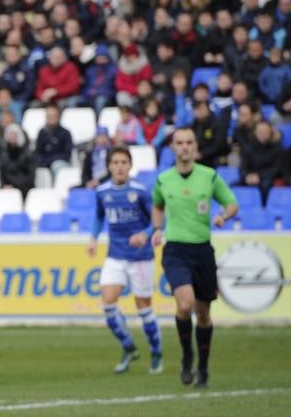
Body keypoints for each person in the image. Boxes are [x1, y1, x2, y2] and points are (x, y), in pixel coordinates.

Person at [151, 128, 239, 389]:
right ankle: (187, 356)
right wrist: (157, 229)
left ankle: (203, 366)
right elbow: (157, 205)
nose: (185, 147)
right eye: (180, 143)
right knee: (184, 305)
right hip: (176, 250)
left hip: (202, 251)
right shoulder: (163, 179)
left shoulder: (209, 177)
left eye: (189, 142)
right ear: (173, 148)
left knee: (203, 315)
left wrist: (224, 215)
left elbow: (232, 203)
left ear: (196, 146)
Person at [88, 146, 162, 375]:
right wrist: (93, 238)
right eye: (115, 162)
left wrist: (146, 234)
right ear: (109, 166)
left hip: (140, 258)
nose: (120, 166)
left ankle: (156, 351)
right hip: (115, 255)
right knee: (108, 304)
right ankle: (128, 347)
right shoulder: (102, 192)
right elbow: (100, 216)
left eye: (124, 162)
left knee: (143, 309)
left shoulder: (140, 191)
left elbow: (157, 220)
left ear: (130, 166)